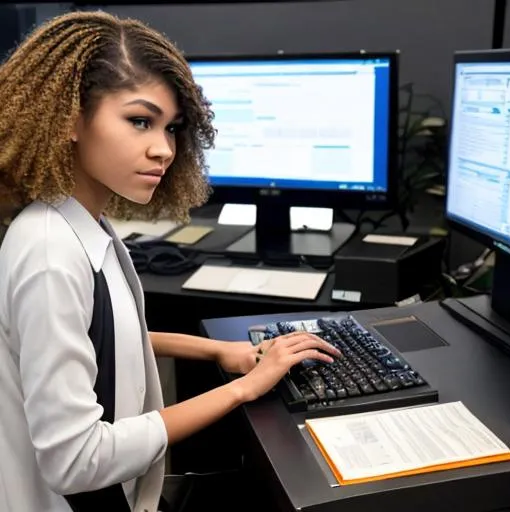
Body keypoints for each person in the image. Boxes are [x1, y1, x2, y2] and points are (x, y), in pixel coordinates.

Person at [0, 10, 340, 512]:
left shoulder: (79, 222)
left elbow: (103, 334)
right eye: (139, 121)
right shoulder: (51, 254)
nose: (163, 150)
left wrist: (216, 352)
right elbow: (77, 460)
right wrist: (244, 389)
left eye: (172, 128)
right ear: (69, 118)